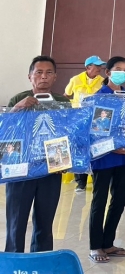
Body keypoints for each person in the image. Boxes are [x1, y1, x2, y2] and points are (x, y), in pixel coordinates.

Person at [5, 56, 69, 253]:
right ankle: (14, 263)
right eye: (39, 72)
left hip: (51, 169)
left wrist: (64, 162)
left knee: (45, 223)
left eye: (49, 73)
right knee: (16, 222)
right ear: (30, 76)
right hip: (21, 170)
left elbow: (68, 134)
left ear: (55, 77)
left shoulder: (62, 102)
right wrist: (17, 108)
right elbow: (6, 130)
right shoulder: (18, 99)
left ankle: (40, 261)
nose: (43, 77)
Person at [88, 56, 125, 264]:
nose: (122, 73)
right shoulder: (98, 97)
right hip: (104, 157)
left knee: (120, 200)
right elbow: (94, 131)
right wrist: (113, 147)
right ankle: (95, 246)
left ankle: (108, 243)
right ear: (108, 72)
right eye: (118, 69)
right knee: (100, 201)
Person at [64, 55, 107, 192]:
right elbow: (66, 95)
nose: (100, 68)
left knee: (95, 148)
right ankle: (80, 182)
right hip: (78, 120)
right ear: (88, 67)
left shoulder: (103, 81)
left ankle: (96, 179)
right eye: (97, 66)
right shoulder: (75, 79)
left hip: (95, 120)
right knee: (79, 148)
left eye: (100, 66)